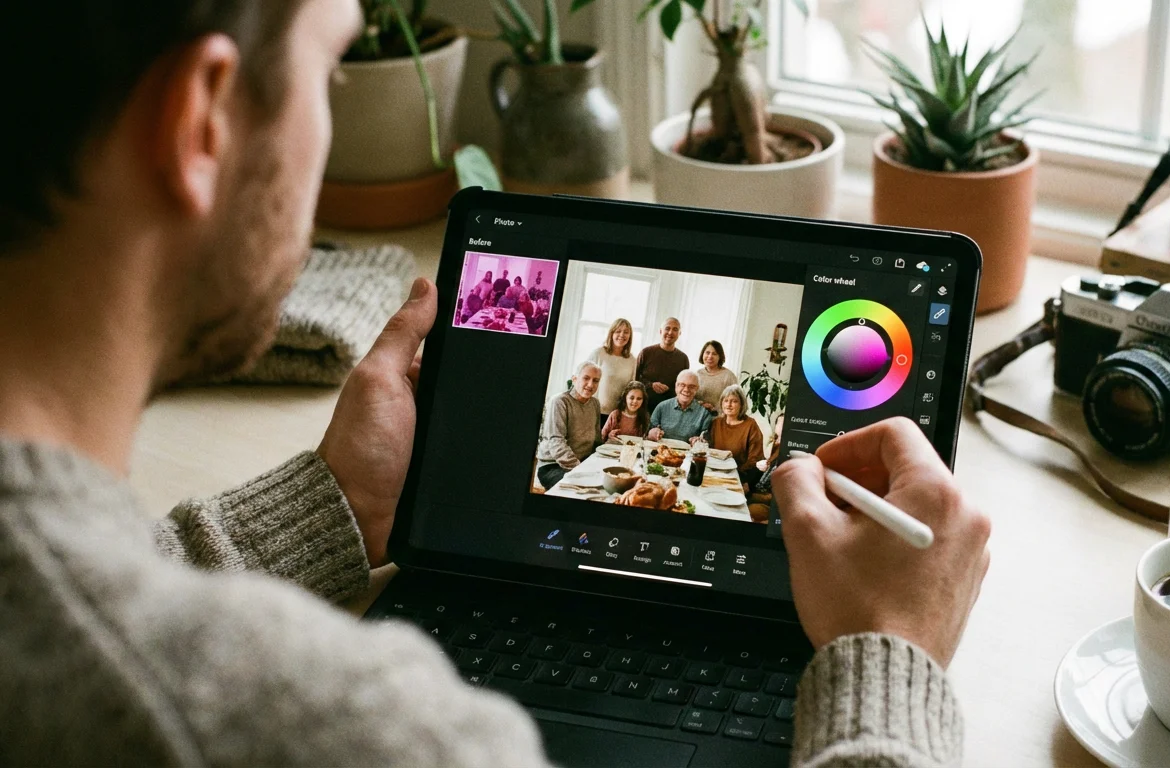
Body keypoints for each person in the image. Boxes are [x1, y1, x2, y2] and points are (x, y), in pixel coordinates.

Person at [0, 2, 990, 762]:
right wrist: (888, 662)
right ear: (201, 122)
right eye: (332, 71)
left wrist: (339, 501)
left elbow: (80, 610)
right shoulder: (375, 733)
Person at [535, 362, 602, 489]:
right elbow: (556, 443)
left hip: (583, 462)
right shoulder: (559, 402)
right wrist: (581, 470)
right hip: (554, 466)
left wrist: (598, 463)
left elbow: (597, 439)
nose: (590, 385)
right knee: (582, 489)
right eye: (586, 378)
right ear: (574, 379)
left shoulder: (595, 404)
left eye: (596, 380)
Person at [709, 385, 765, 489]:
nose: (729, 405)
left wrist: (744, 482)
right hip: (713, 474)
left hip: (738, 478)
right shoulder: (716, 423)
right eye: (726, 401)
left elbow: (755, 459)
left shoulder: (750, 425)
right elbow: (708, 450)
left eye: (734, 401)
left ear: (742, 404)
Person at [586, 318, 636, 428]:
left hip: (617, 414)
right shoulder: (599, 353)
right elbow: (584, 378)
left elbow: (631, 387)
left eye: (626, 332)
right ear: (611, 333)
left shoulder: (632, 360)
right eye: (618, 331)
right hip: (594, 412)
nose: (622, 335)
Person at [635, 317, 689, 412]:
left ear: (679, 334)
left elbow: (683, 387)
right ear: (660, 331)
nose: (670, 332)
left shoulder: (683, 359)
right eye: (667, 328)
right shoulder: (646, 353)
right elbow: (634, 379)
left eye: (675, 329)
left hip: (668, 411)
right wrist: (650, 385)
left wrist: (670, 389)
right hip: (642, 408)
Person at [647, 370, 714, 444]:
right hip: (661, 452)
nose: (686, 390)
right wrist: (652, 433)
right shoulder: (662, 407)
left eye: (691, 386)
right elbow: (648, 434)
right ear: (676, 386)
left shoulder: (704, 413)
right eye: (682, 385)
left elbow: (705, 441)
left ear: (697, 388)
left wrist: (699, 441)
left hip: (689, 454)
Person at [694, 340, 738, 412]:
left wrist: (714, 409)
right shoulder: (696, 375)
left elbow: (735, 402)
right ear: (702, 354)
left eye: (714, 354)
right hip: (697, 417)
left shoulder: (729, 376)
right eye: (707, 353)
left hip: (719, 419)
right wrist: (700, 404)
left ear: (720, 357)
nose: (710, 356)